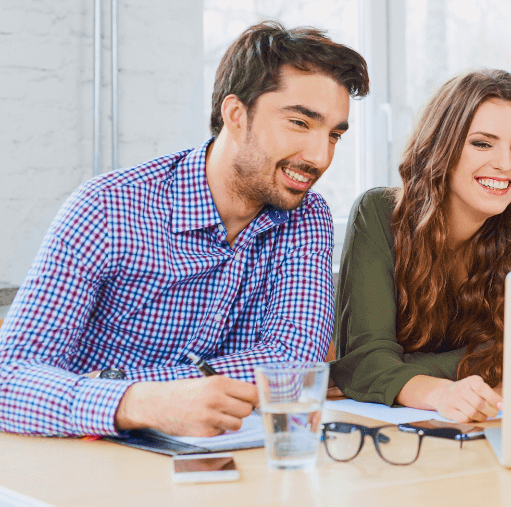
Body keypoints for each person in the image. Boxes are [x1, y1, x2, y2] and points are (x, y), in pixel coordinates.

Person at [0, 22, 368, 437]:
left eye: (334, 135)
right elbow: (9, 379)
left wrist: (124, 383)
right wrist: (137, 403)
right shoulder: (107, 208)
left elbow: (294, 363)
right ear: (236, 116)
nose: (320, 157)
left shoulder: (307, 217)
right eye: (300, 123)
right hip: (89, 450)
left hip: (223, 453)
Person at [329, 70, 511, 423]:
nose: (505, 164)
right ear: (441, 145)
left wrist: (395, 370)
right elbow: (364, 362)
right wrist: (441, 391)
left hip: (477, 423)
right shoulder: (378, 214)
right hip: (390, 432)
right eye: (482, 143)